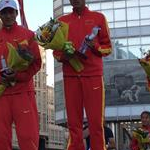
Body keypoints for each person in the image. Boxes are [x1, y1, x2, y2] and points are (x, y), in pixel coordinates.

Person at [53, 0, 112, 149]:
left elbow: (108, 48)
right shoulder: (62, 22)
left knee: (96, 123)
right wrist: (63, 56)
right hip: (71, 76)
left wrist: (95, 46)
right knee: (73, 124)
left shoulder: (98, 18)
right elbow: (56, 51)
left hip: (93, 76)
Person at [0, 0, 41, 149]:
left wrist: (17, 76)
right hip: (2, 94)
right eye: (4, 12)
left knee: (28, 137)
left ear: (17, 13)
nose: (8, 15)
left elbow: (36, 63)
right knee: (1, 139)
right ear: (0, 15)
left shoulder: (28, 35)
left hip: (23, 93)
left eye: (11, 11)